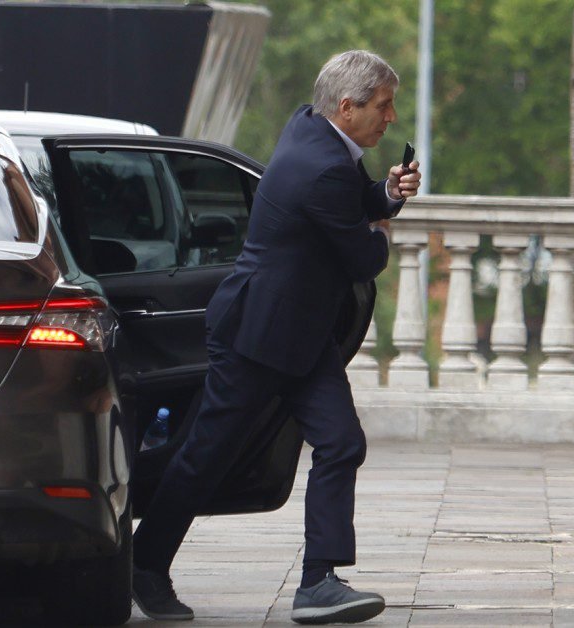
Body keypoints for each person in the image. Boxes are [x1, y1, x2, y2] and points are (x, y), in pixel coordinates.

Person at [132, 49, 422, 625]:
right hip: (256, 335)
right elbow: (363, 257)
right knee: (206, 457)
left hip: (300, 334)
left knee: (341, 443)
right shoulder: (324, 167)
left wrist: (386, 193)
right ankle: (143, 565)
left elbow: (347, 202)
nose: (391, 118)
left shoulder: (311, 128)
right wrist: (383, 228)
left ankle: (318, 583)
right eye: (384, 106)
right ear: (347, 106)